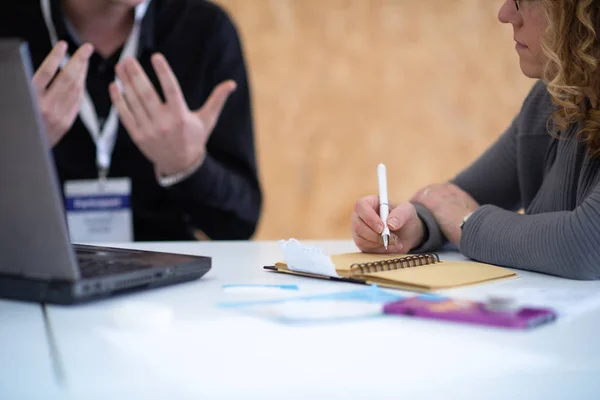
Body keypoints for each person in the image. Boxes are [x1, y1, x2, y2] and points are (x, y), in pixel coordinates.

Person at [351, 0, 600, 280]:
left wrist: (467, 223)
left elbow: (586, 243)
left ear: (584, 15)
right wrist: (412, 227)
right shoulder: (554, 97)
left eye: (522, 1)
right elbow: (456, 198)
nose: (505, 14)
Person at [0, 0, 262, 241]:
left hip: (166, 280)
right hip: (28, 276)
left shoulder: (203, 28)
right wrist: (13, 153)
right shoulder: (10, 24)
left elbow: (239, 224)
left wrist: (188, 165)